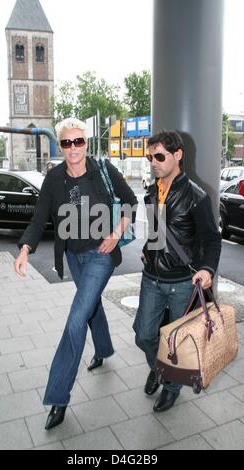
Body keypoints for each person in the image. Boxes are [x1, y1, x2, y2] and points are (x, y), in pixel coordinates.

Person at [14, 117, 137, 430]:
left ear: (86, 142)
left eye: (78, 141)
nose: (73, 148)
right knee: (90, 305)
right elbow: (40, 216)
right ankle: (105, 348)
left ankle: (58, 397)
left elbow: (131, 202)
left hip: (102, 254)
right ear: (60, 145)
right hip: (73, 255)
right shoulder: (54, 178)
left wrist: (114, 234)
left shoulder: (104, 171)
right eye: (66, 143)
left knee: (76, 317)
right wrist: (25, 249)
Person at [133, 130, 221, 412]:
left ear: (177, 155)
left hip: (183, 282)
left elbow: (211, 239)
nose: (153, 162)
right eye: (150, 157)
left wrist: (207, 269)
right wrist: (149, 250)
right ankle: (160, 368)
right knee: (144, 335)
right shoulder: (153, 192)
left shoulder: (196, 196)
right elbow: (161, 233)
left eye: (159, 156)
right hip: (152, 277)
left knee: (177, 341)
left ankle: (170, 385)